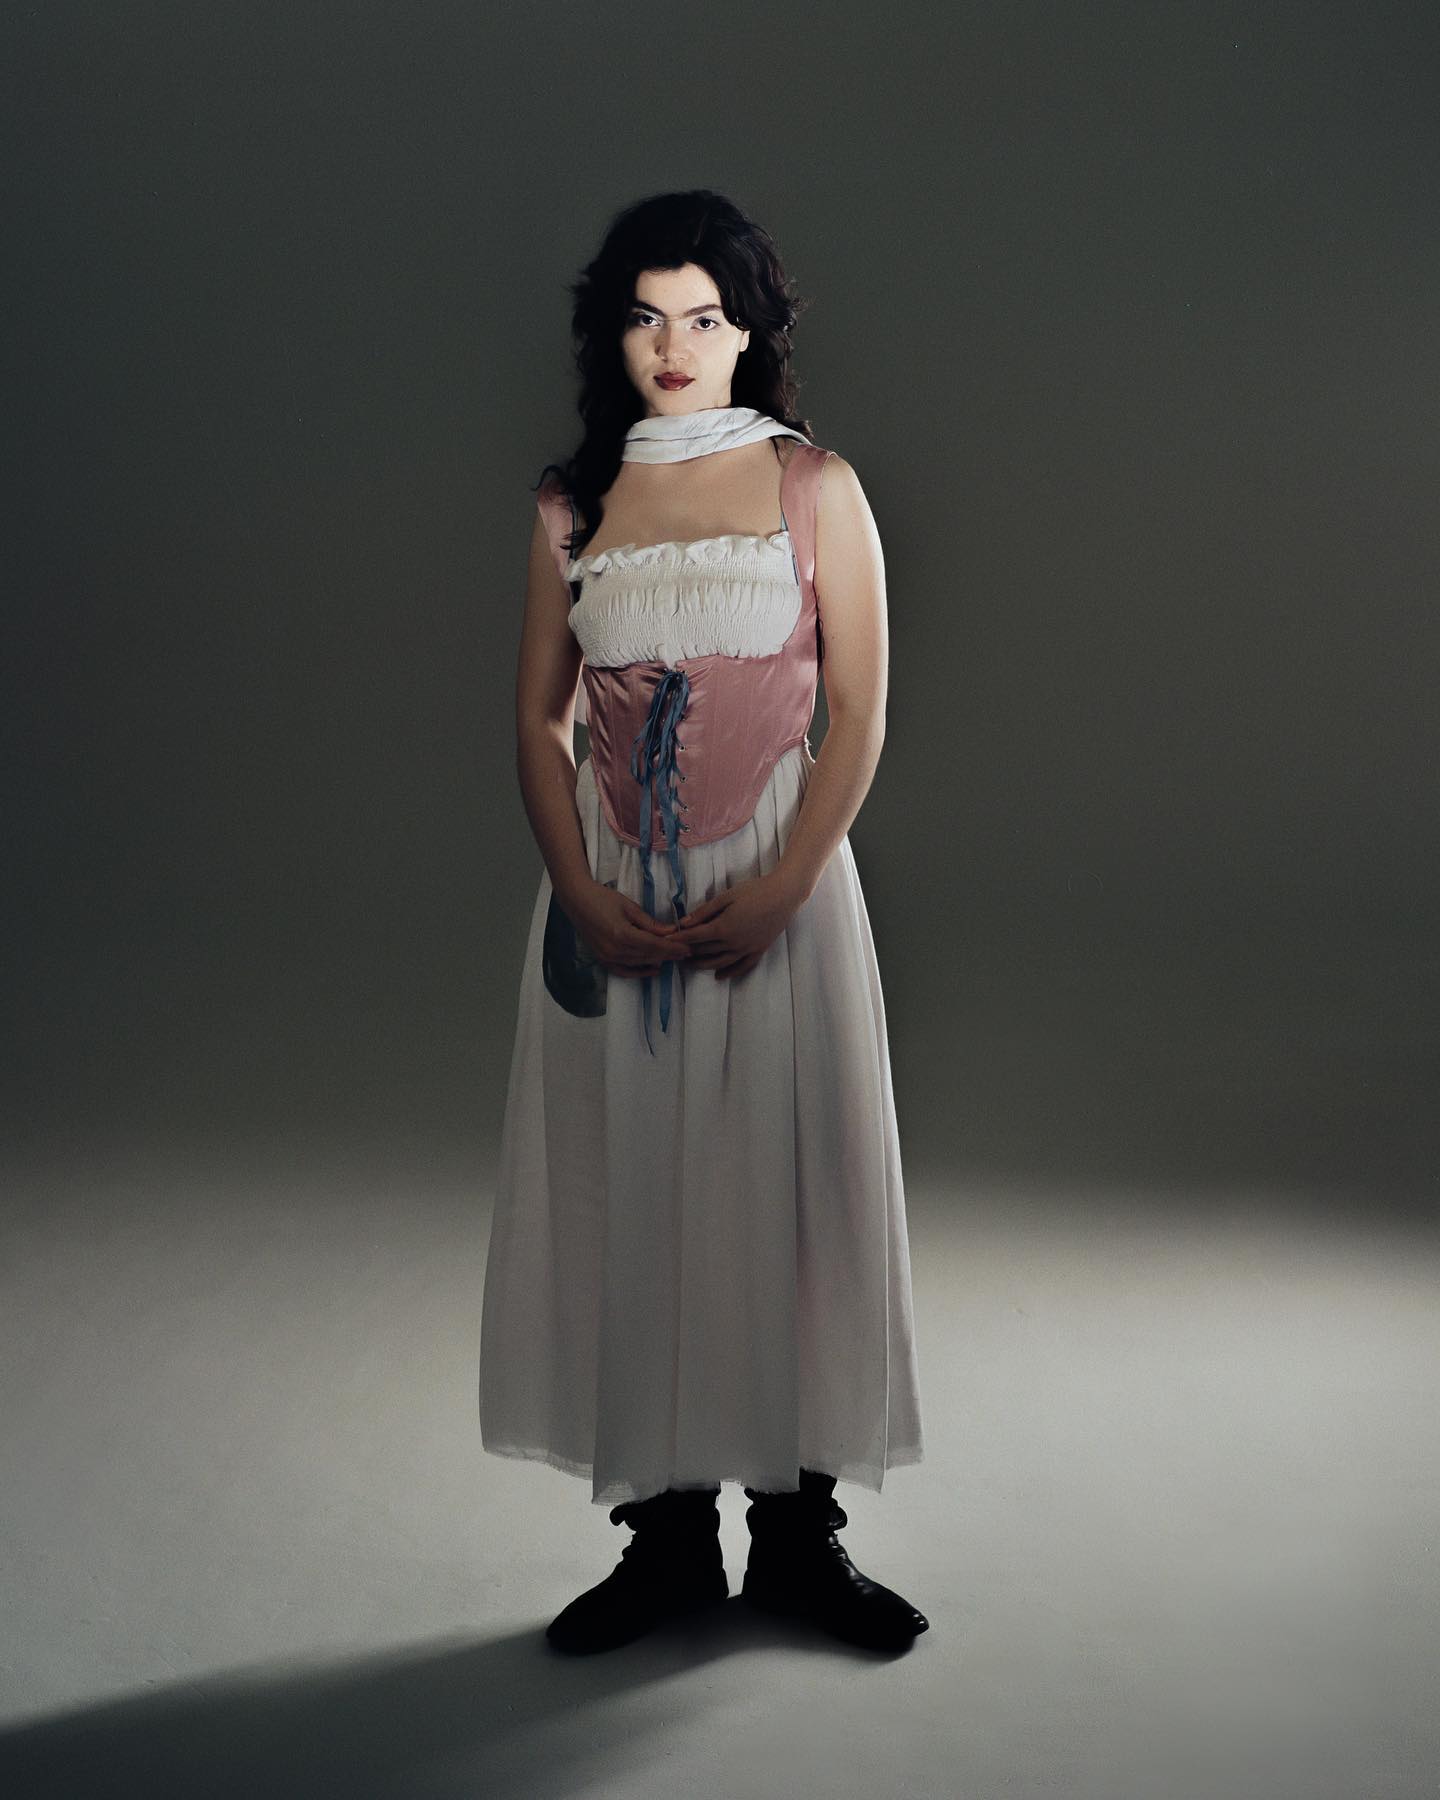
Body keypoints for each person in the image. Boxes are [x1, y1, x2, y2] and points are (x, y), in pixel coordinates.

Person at [480, 190, 927, 1655]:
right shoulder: (572, 507)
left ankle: (799, 1541)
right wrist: (585, 893)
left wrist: (787, 885)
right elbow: (539, 723)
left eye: (705, 317)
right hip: (615, 883)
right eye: (645, 318)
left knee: (794, 1190)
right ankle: (666, 1544)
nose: (673, 347)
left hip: (779, 877)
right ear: (610, 335)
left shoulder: (815, 487)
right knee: (642, 1187)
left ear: (751, 332)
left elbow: (857, 708)